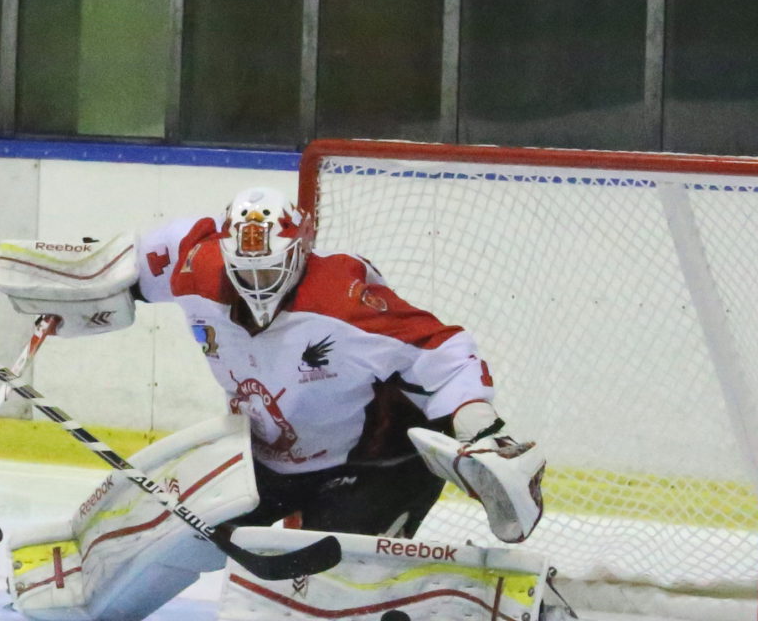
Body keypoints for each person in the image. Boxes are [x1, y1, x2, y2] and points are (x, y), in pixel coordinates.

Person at [134, 186, 544, 544]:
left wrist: (483, 428)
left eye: (271, 268)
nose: (259, 282)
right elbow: (144, 260)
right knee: (174, 530)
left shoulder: (342, 302)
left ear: (301, 250)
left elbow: (443, 351)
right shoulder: (198, 272)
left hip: (377, 463)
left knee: (325, 576)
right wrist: (84, 289)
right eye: (247, 271)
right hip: (266, 461)